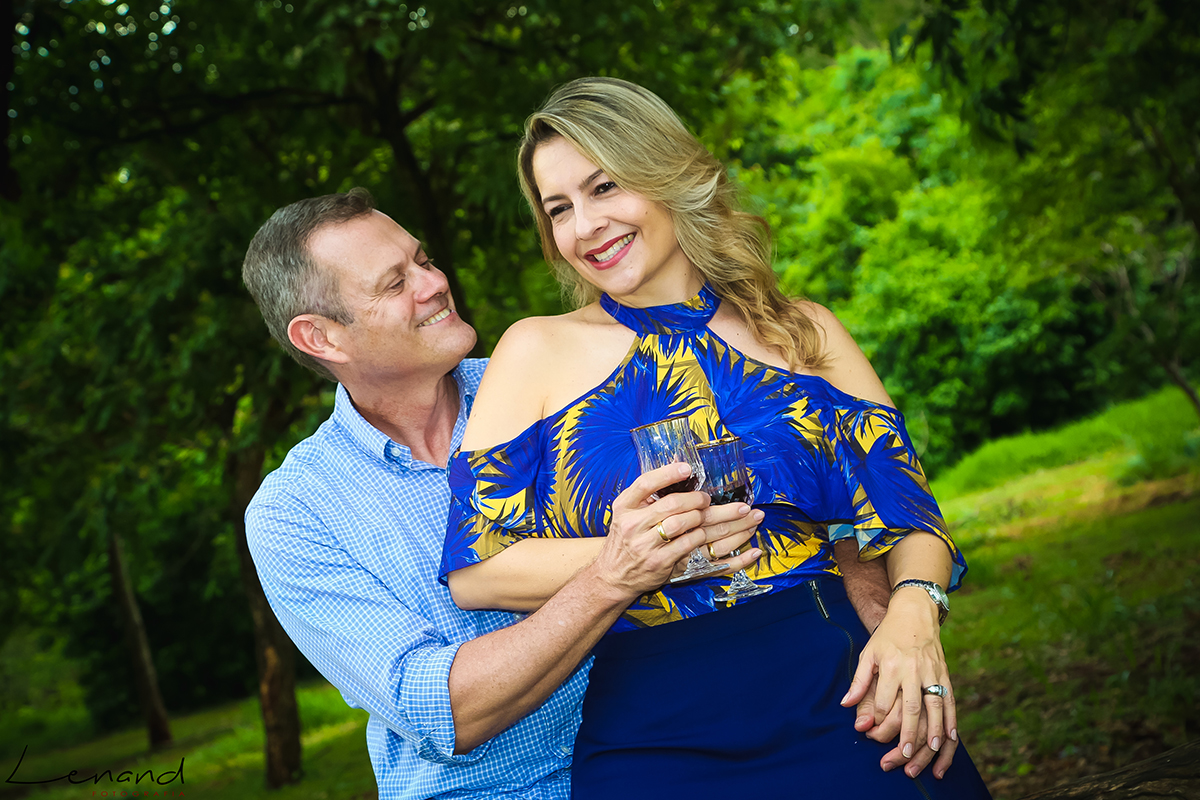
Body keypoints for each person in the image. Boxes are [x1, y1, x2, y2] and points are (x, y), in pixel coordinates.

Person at [441, 77, 993, 798]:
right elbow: (477, 570)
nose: (585, 225)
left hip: (839, 688)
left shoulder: (803, 331)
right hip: (650, 725)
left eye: (604, 187)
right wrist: (641, 555)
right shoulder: (533, 350)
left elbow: (908, 512)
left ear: (665, 172)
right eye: (559, 209)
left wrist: (915, 615)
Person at [239, 189, 775, 800]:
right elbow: (441, 710)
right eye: (395, 283)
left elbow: (778, 498)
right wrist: (611, 575)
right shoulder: (294, 513)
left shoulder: (563, 387)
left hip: (674, 756)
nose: (435, 283)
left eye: (424, 260)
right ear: (321, 338)